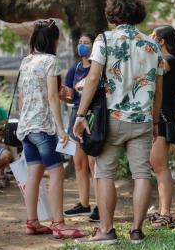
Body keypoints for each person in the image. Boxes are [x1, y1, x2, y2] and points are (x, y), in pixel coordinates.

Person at [73, 0, 164, 244]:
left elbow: (92, 77)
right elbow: (158, 91)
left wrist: (81, 115)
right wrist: (155, 122)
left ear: (114, 12)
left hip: (110, 119)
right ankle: (136, 231)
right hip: (143, 120)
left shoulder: (104, 40)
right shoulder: (152, 44)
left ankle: (106, 230)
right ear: (138, 12)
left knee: (104, 174)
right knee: (142, 175)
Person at [16, 19, 85, 238]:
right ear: (53, 40)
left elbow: (24, 96)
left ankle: (32, 222)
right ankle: (58, 224)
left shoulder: (26, 61)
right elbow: (53, 97)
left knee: (33, 174)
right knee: (56, 172)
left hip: (25, 127)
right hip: (43, 128)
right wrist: (61, 129)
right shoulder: (51, 61)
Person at [149, 25, 175, 228]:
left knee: (160, 165)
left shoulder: (169, 61)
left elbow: (150, 70)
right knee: (157, 165)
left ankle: (166, 212)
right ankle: (160, 209)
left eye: (153, 37)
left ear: (162, 40)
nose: (150, 40)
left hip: (163, 117)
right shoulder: (166, 60)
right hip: (158, 116)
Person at [63, 33, 99, 222]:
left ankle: (101, 206)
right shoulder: (73, 69)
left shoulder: (98, 67)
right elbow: (69, 96)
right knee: (79, 163)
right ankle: (83, 204)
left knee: (94, 164)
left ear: (94, 46)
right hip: (76, 116)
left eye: (86, 42)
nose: (82, 46)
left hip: (93, 116)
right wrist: (60, 94)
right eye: (80, 42)